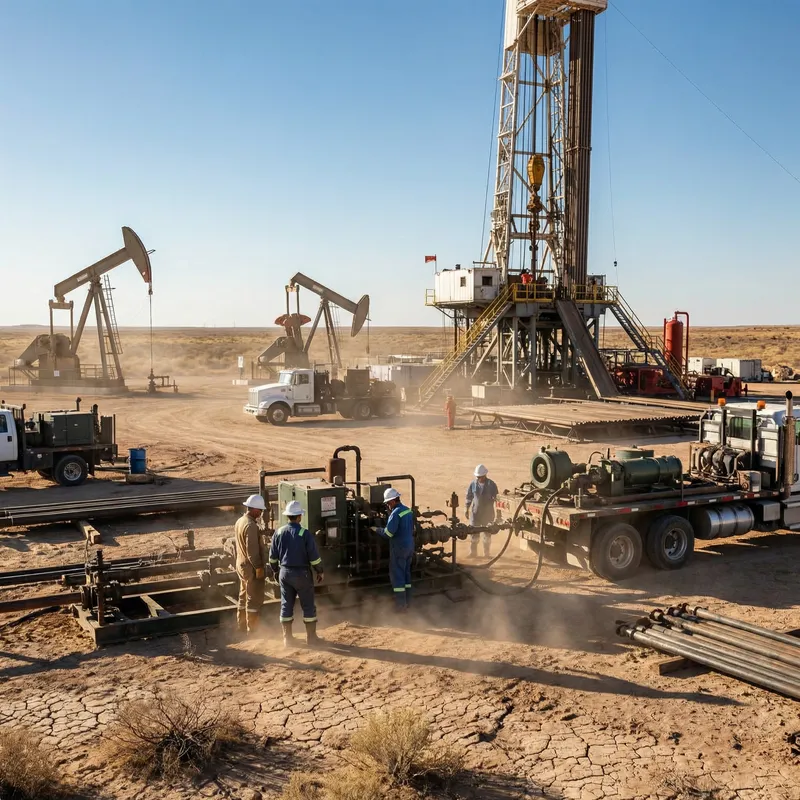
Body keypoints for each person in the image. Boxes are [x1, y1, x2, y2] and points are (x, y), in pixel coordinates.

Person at [268, 500, 325, 647]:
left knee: (286, 605)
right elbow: (314, 557)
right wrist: (319, 571)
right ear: (299, 516)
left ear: (288, 516)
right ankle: (311, 638)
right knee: (308, 606)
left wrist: (276, 571)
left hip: (284, 573)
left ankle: (287, 639)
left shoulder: (278, 532)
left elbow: (272, 558)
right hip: (302, 574)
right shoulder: (304, 534)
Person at [374, 487, 414, 612]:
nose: (387, 506)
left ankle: (401, 606)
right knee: (406, 574)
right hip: (410, 546)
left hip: (399, 548)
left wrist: (376, 529)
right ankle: (408, 602)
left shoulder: (395, 513)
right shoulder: (407, 510)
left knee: (398, 576)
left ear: (392, 501)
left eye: (387, 503)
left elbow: (388, 533)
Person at [235, 494, 268, 634]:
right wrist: (259, 568)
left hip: (241, 565)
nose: (261, 513)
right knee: (253, 598)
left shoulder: (240, 521)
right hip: (250, 567)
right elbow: (252, 552)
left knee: (243, 596)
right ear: (254, 509)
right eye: (260, 510)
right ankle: (252, 630)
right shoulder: (251, 526)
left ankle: (241, 626)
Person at [466, 465, 499, 558]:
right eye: (477, 477)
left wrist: (499, 514)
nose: (478, 478)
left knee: (487, 535)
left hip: (487, 514)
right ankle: (473, 553)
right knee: (474, 534)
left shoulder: (491, 485)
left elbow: (497, 500)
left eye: (480, 477)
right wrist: (466, 509)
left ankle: (486, 554)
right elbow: (469, 497)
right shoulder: (473, 484)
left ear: (485, 475)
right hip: (475, 513)